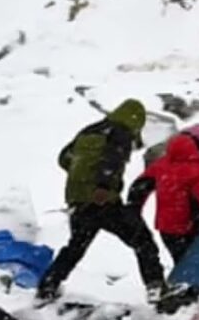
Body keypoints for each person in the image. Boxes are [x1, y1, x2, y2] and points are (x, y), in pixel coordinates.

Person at [36, 99, 165, 304]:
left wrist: (81, 174)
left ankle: (48, 287)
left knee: (76, 246)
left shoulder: (89, 131)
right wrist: (103, 186)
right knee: (142, 240)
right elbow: (111, 160)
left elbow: (64, 158)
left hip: (78, 200)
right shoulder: (119, 132)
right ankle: (155, 286)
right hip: (103, 200)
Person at [126, 129, 199, 264]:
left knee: (180, 260)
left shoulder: (160, 165)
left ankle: (180, 282)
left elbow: (139, 188)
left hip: (166, 227)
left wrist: (134, 209)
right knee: (195, 263)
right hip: (189, 226)